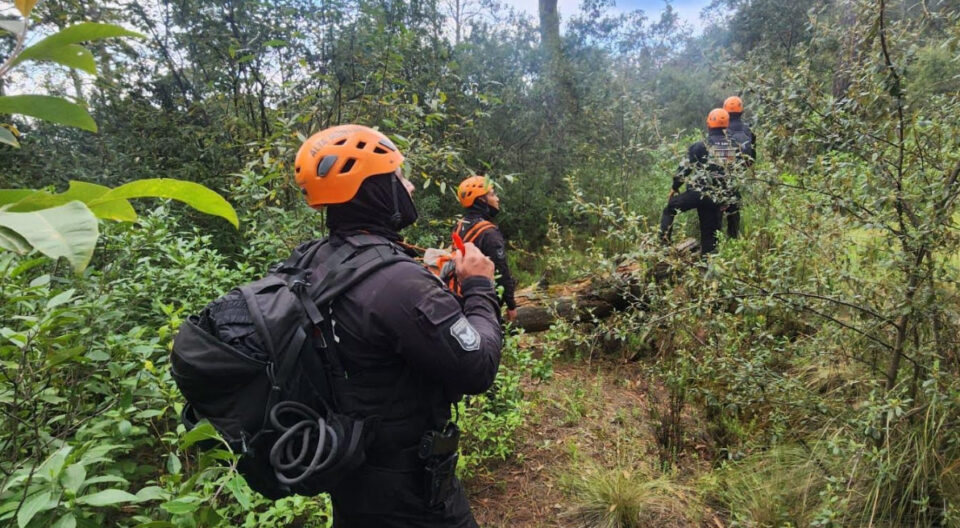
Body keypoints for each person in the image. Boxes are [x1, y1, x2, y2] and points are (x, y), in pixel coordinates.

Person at [293, 124, 503, 527]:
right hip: (412, 496)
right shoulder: (399, 284)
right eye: (399, 176)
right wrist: (479, 286)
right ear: (374, 188)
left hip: (349, 476)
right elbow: (479, 368)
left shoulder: (310, 261)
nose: (409, 187)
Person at [659, 108, 741, 254]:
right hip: (717, 197)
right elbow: (736, 172)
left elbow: (684, 169)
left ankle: (663, 247)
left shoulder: (700, 145)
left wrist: (675, 187)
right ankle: (709, 262)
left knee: (670, 209)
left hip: (697, 193)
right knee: (709, 238)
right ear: (727, 125)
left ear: (708, 124)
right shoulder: (734, 146)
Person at [454, 175, 518, 323]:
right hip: (483, 300)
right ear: (481, 200)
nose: (497, 199)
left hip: (462, 296)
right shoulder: (489, 233)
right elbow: (501, 271)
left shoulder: (460, 226)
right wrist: (511, 305)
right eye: (492, 194)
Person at [722, 96, 757, 238]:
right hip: (741, 170)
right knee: (734, 203)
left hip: (724, 170)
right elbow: (753, 153)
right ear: (741, 111)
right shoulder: (748, 130)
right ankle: (733, 235)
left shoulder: (722, 130)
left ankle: (717, 237)